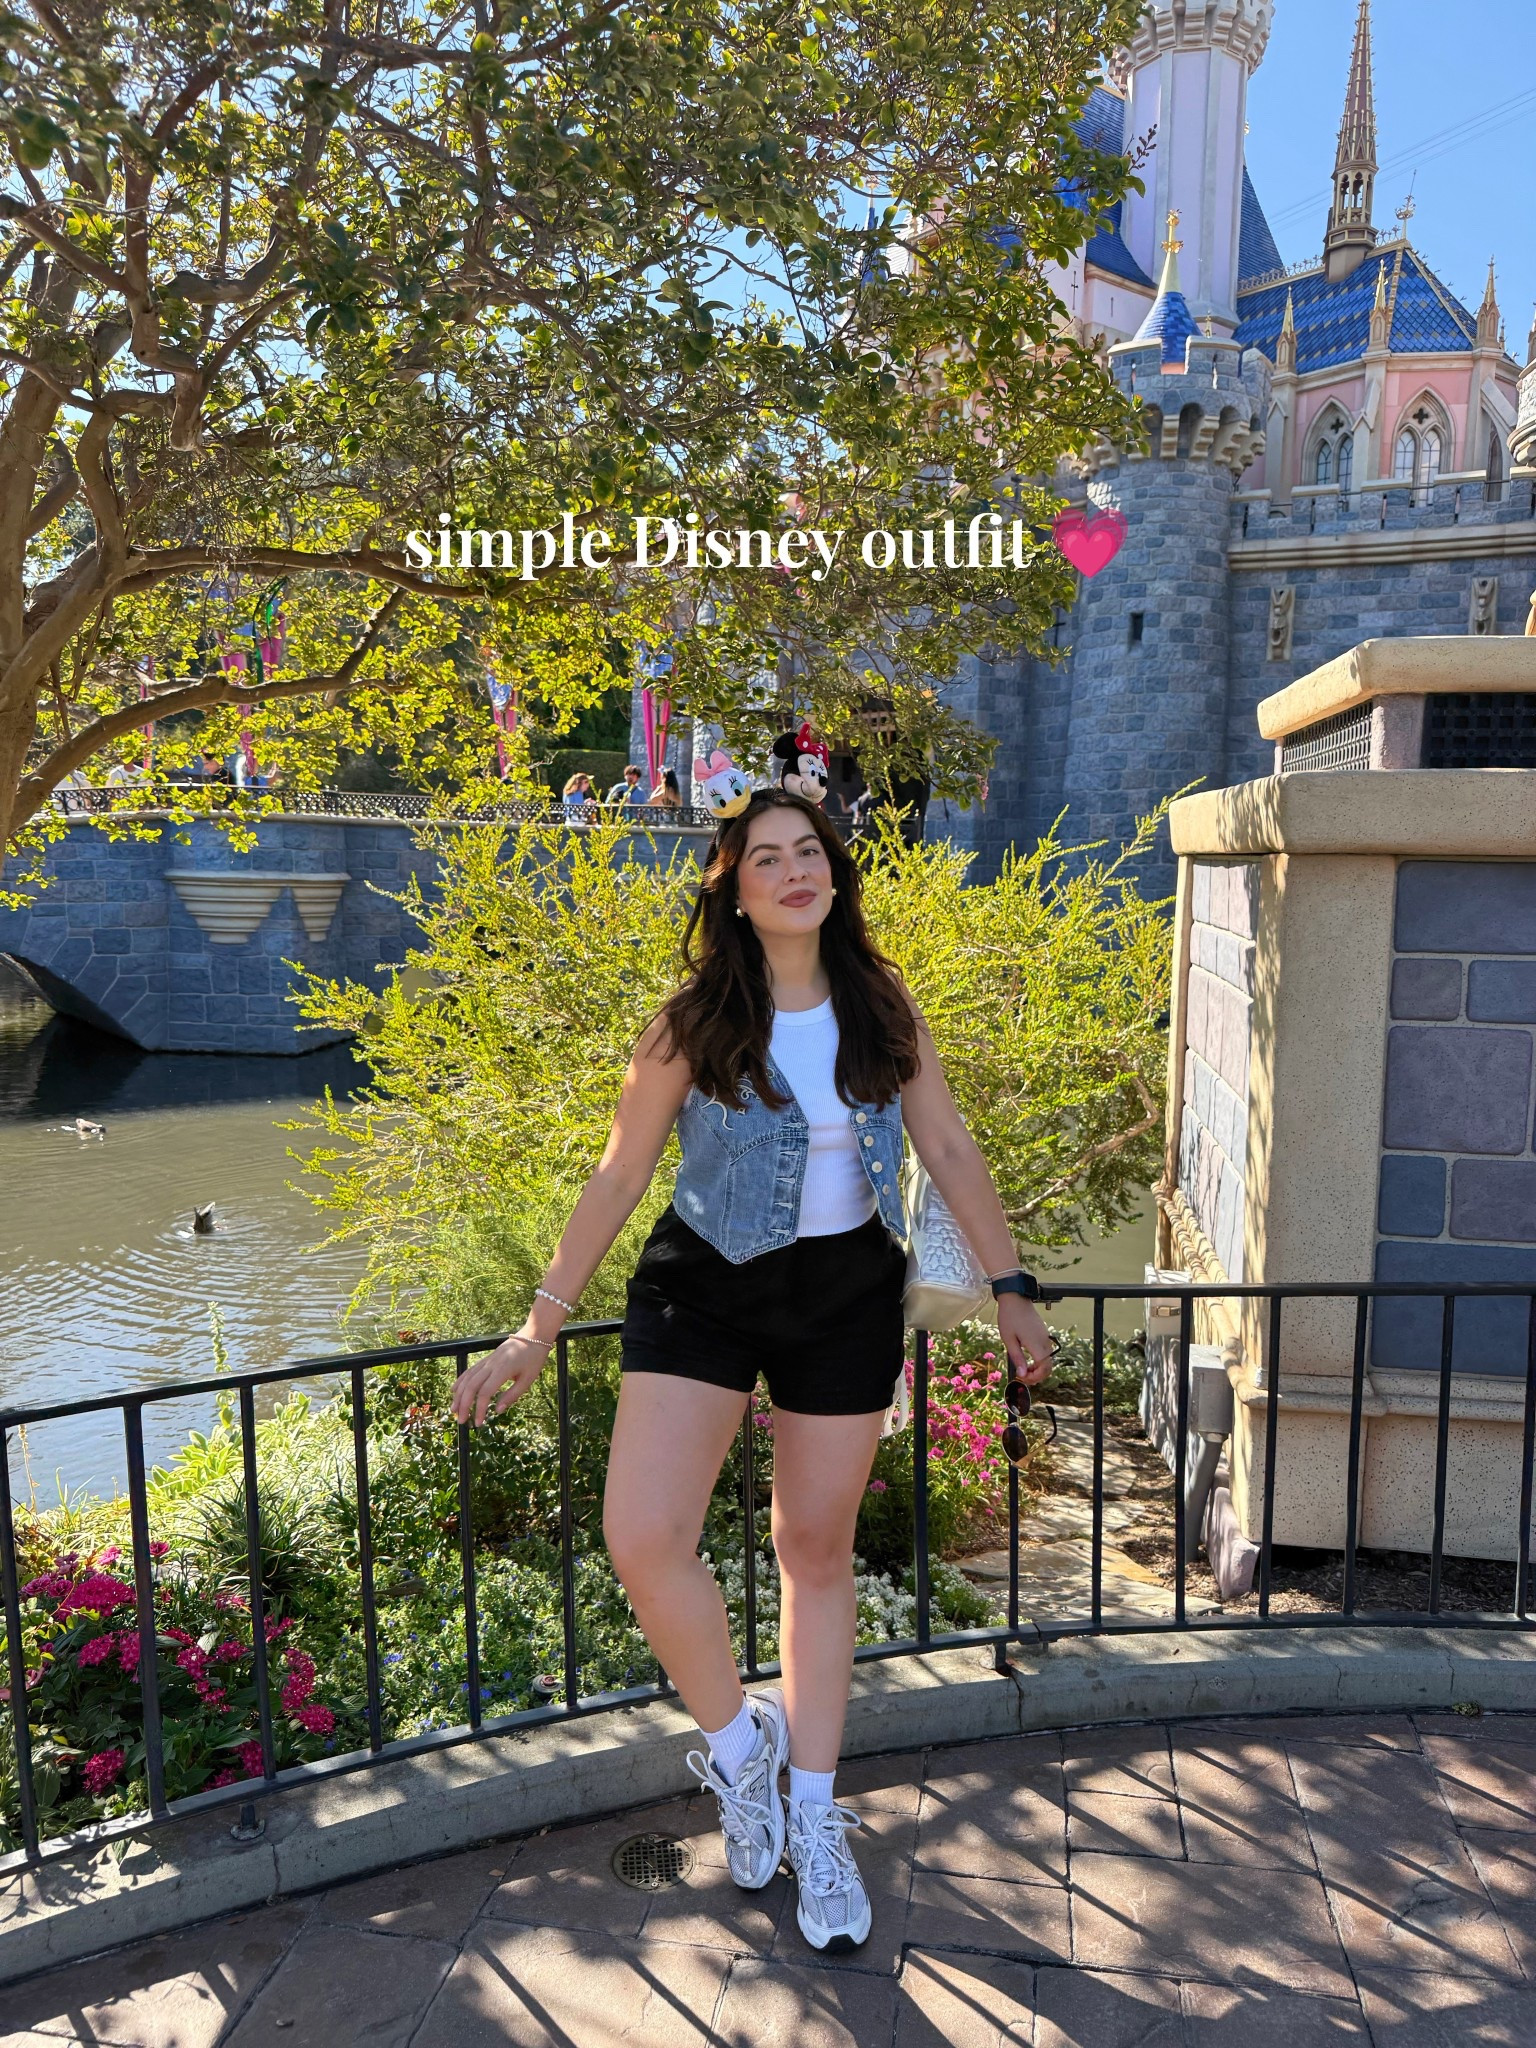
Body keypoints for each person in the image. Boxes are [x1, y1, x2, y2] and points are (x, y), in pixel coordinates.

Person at [450, 789, 1053, 1956]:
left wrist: (1011, 1283)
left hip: (844, 1296)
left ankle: (817, 1814)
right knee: (643, 1535)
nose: (793, 870)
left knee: (814, 1551)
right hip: (705, 1287)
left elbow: (947, 1143)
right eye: (766, 858)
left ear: (834, 871)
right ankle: (741, 1750)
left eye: (808, 851)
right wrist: (536, 1326)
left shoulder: (882, 1004)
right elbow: (620, 1173)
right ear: (731, 888)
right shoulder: (692, 1021)